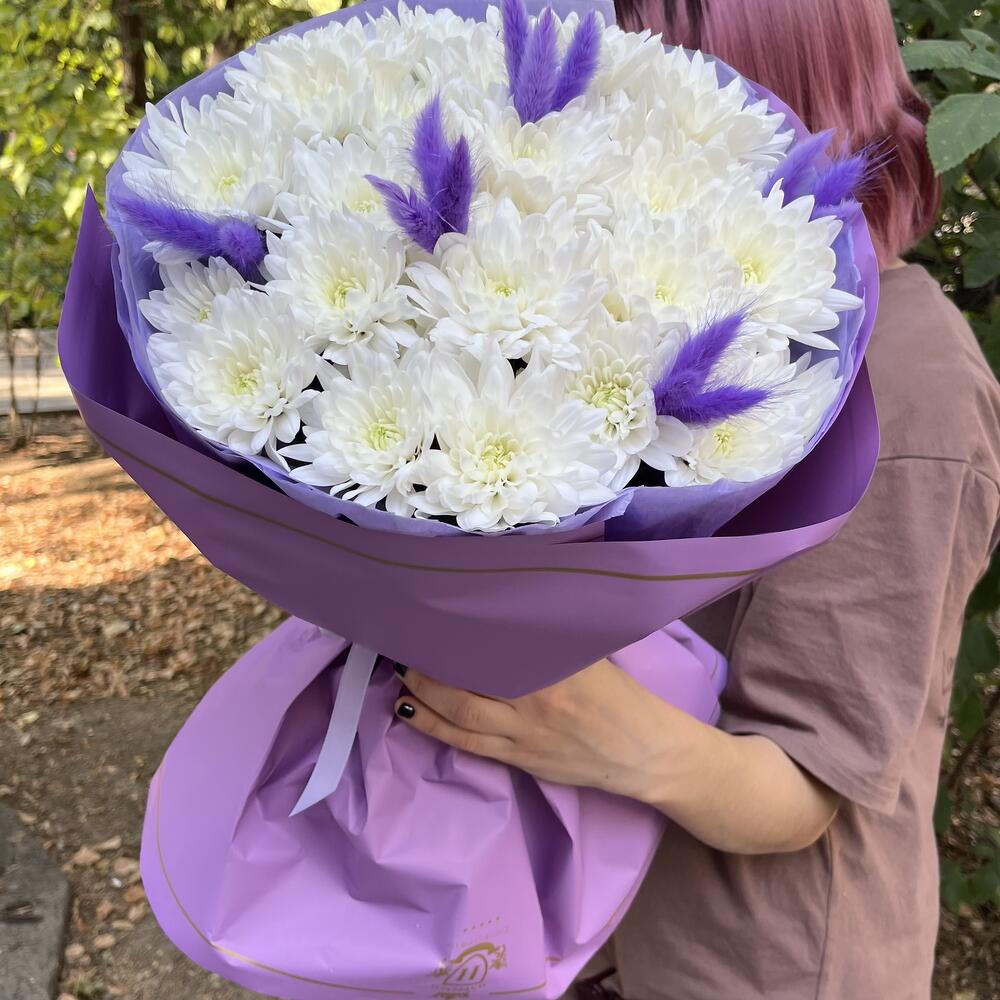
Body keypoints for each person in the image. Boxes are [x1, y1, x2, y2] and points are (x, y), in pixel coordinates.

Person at [391, 0, 1000, 996]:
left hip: (761, 963)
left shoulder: (908, 375)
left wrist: (585, 724)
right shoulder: (661, 316)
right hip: (586, 918)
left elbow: (807, 784)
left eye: (644, 78)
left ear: (753, 87)